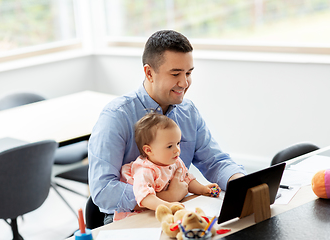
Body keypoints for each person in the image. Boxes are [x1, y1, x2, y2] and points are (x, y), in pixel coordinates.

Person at [88, 30, 246, 225]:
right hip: (129, 219)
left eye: (188, 73)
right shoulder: (116, 117)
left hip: (177, 212)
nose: (185, 82)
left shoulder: (188, 111)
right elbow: (102, 190)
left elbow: (215, 161)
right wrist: (166, 197)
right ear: (149, 73)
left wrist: (243, 184)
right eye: (175, 74)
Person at [113, 112, 221, 221]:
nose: (177, 149)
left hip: (164, 209)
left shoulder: (175, 160)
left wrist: (202, 189)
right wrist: (168, 205)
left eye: (178, 143)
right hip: (139, 215)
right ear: (149, 150)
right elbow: (145, 197)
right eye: (169, 146)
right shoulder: (144, 170)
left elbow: (187, 178)